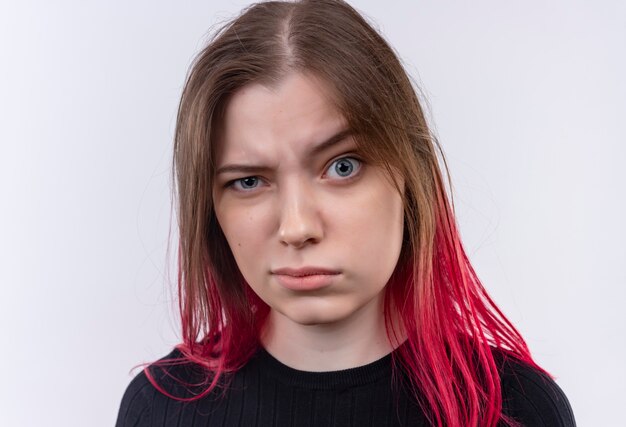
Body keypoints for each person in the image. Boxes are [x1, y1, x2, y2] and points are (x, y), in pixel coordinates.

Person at [116, 1, 576, 426]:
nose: (297, 227)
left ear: (410, 176)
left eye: (342, 167)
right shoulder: (159, 409)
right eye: (249, 181)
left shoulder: (516, 409)